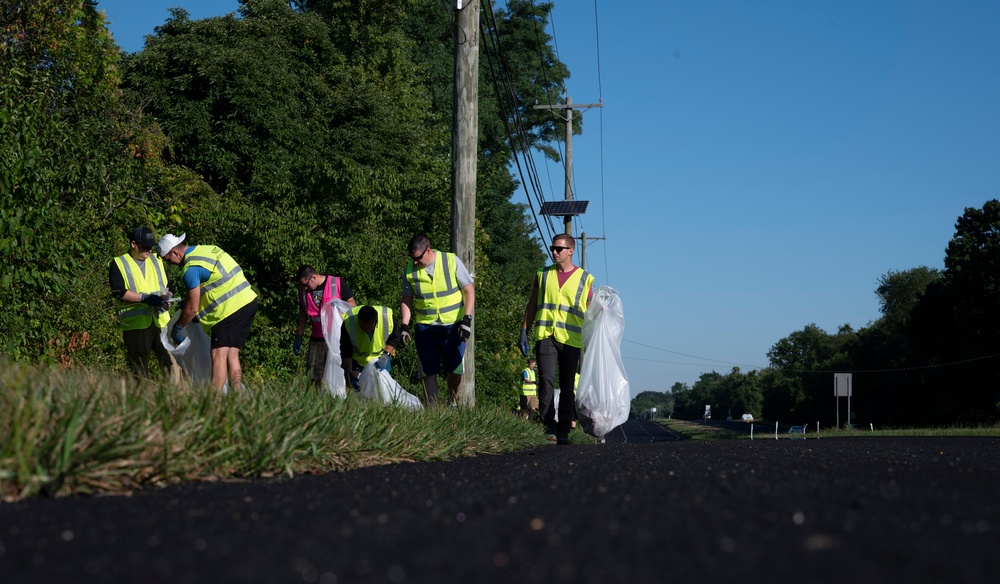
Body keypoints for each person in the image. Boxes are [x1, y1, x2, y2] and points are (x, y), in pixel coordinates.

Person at [158, 233, 257, 392]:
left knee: (218, 355)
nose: (170, 264)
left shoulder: (190, 269)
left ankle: (213, 401)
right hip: (248, 301)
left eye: (168, 259)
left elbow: (192, 308)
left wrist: (178, 327)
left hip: (229, 310)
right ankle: (238, 394)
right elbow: (215, 282)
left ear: (175, 252)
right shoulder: (208, 250)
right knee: (232, 355)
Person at [521, 233, 594, 445]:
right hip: (545, 335)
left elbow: (591, 311)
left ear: (571, 251)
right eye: (553, 248)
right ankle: (548, 427)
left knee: (568, 385)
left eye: (559, 248)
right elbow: (532, 304)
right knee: (545, 381)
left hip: (571, 339)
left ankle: (564, 430)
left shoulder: (585, 279)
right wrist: (524, 329)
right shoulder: (542, 275)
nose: (554, 251)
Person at [400, 234, 475, 406]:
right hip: (426, 328)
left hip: (453, 326)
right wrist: (405, 325)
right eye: (412, 258)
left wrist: (467, 320)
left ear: (428, 250)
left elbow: (469, 290)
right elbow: (406, 299)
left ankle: (452, 402)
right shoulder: (409, 270)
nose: (415, 262)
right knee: (429, 372)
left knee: (455, 371)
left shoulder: (450, 261)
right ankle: (433, 414)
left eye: (418, 258)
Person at [108, 226, 181, 384]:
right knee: (139, 369)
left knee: (172, 364)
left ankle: (177, 400)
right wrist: (144, 298)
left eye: (151, 246)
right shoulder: (119, 263)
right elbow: (118, 292)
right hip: (136, 326)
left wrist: (167, 297)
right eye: (145, 246)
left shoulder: (156, 260)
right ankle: (142, 402)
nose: (149, 250)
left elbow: (170, 287)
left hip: (161, 321)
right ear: (133, 244)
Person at [295, 265, 357, 388]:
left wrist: (339, 307)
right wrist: (299, 335)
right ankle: (318, 403)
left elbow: (353, 305)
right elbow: (303, 313)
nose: (304, 288)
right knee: (314, 376)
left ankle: (342, 402)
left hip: (336, 339)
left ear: (313, 277)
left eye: (306, 284)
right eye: (302, 286)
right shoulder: (303, 291)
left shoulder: (337, 283)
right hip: (317, 338)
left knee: (339, 374)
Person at [340, 305, 402, 390]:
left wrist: (386, 355)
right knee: (352, 388)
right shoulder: (349, 323)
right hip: (357, 359)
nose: (365, 330)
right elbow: (345, 349)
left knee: (382, 387)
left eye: (369, 328)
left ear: (375, 322)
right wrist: (348, 373)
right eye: (362, 328)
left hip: (380, 358)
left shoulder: (387, 318)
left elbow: (395, 337)